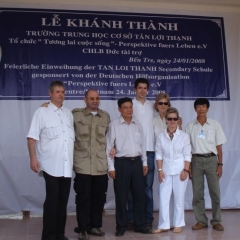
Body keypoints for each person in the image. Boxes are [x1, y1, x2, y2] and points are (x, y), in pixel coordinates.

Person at [27, 81, 74, 240]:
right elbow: (32, 137)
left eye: (63, 91)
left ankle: (60, 235)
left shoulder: (68, 113)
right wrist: (33, 158)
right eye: (57, 92)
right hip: (50, 165)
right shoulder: (42, 112)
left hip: (66, 166)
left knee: (63, 203)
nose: (61, 94)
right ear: (50, 94)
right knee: (52, 202)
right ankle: (48, 236)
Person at [106, 97, 152, 237]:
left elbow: (142, 145)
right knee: (121, 196)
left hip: (137, 163)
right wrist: (111, 167)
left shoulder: (137, 124)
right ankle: (121, 226)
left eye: (130, 107)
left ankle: (140, 225)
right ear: (119, 109)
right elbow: (109, 146)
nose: (128, 110)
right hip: (121, 164)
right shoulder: (114, 124)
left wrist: (144, 163)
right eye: (125, 107)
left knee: (139, 196)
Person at [72, 89, 110, 240]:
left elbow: (109, 138)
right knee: (83, 198)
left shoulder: (105, 117)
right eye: (91, 98)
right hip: (83, 163)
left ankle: (95, 226)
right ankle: (82, 228)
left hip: (100, 164)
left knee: (99, 198)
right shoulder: (75, 115)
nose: (95, 100)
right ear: (85, 99)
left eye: (97, 98)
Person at [186, 98, 226, 231]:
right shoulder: (190, 126)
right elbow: (187, 148)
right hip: (195, 160)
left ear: (208, 108)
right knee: (197, 193)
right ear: (195, 109)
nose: (201, 109)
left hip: (211, 160)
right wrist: (188, 166)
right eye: (198, 106)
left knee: (215, 192)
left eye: (203, 106)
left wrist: (220, 164)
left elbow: (219, 147)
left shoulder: (215, 125)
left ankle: (216, 220)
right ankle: (201, 220)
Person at [153, 107, 191, 234]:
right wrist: (159, 169)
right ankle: (164, 225)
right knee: (163, 198)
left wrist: (186, 170)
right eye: (170, 119)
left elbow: (187, 154)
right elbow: (158, 154)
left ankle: (178, 223)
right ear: (166, 120)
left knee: (179, 198)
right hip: (165, 170)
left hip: (181, 170)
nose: (172, 121)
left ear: (177, 119)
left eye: (175, 118)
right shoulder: (160, 136)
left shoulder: (184, 136)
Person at [127, 78, 155, 229]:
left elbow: (165, 119)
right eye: (140, 88)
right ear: (134, 89)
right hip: (134, 152)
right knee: (132, 187)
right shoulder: (130, 105)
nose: (142, 90)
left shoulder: (153, 106)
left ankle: (148, 218)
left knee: (147, 188)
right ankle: (131, 219)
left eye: (145, 88)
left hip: (150, 151)